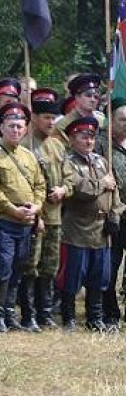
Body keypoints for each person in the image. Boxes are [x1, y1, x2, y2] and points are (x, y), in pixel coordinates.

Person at [0, 102, 46, 333]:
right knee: (3, 267)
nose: (16, 130)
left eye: (20, 126)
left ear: (26, 129)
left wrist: (36, 206)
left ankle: (10, 313)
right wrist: (12, 209)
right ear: (1, 128)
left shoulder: (29, 156)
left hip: (26, 222)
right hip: (5, 221)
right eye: (11, 126)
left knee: (19, 268)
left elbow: (40, 185)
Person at [61, 117, 124, 332]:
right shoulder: (69, 162)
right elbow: (80, 190)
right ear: (72, 139)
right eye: (83, 136)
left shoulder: (101, 161)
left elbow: (114, 191)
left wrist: (115, 216)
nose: (88, 141)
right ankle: (68, 317)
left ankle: (94, 317)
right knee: (74, 275)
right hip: (79, 227)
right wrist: (101, 184)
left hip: (102, 229)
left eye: (91, 137)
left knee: (100, 277)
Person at [18, 88, 73, 331]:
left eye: (53, 118)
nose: (51, 122)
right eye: (46, 118)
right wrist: (36, 213)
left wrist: (64, 189)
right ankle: (27, 314)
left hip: (55, 216)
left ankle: (45, 312)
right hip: (33, 216)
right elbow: (22, 184)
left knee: (50, 266)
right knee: (30, 266)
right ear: (35, 118)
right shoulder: (25, 145)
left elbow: (70, 175)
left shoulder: (59, 146)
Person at [105, 98, 126, 327]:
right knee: (110, 267)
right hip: (113, 215)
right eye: (122, 119)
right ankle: (110, 313)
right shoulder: (102, 144)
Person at [56, 74, 105, 141]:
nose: (93, 100)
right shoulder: (63, 125)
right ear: (77, 97)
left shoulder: (102, 121)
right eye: (88, 95)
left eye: (96, 97)